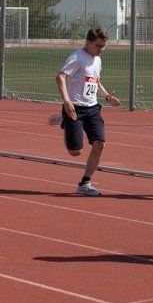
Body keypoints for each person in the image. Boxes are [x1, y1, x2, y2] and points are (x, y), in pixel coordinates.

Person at [54, 27, 122, 196]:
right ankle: (64, 119)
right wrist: (67, 101)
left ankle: (85, 183)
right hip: (75, 108)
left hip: (92, 108)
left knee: (100, 144)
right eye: (98, 46)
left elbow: (95, 82)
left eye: (103, 46)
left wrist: (107, 97)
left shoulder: (97, 60)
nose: (101, 49)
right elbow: (60, 77)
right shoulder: (77, 57)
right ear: (89, 42)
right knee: (75, 152)